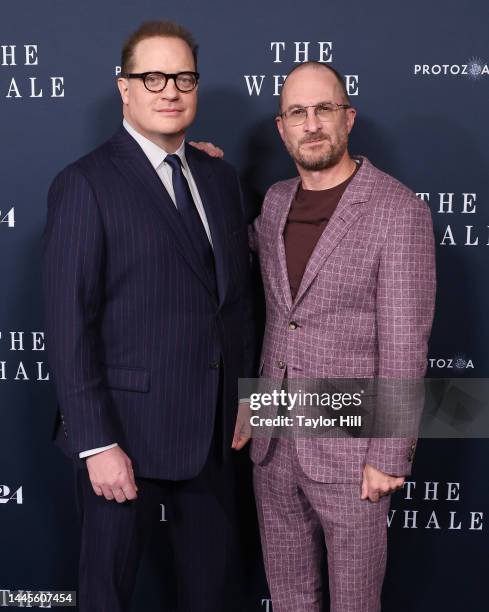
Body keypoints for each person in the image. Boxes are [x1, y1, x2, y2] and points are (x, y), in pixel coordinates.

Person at [42, 20, 253, 612]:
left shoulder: (218, 176)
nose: (170, 90)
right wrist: (96, 443)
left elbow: (234, 304)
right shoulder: (85, 184)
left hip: (214, 435)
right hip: (124, 438)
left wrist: (247, 398)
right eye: (152, 76)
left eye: (183, 77)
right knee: (107, 596)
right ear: (124, 88)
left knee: (213, 595)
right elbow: (68, 326)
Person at [249, 62, 436, 612]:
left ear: (348, 118)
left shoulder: (398, 212)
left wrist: (390, 455)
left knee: (355, 603)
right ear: (282, 128)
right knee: (288, 599)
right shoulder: (274, 202)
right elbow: (278, 317)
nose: (312, 124)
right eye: (297, 113)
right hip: (274, 439)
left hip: (354, 453)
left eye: (324, 109)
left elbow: (405, 343)